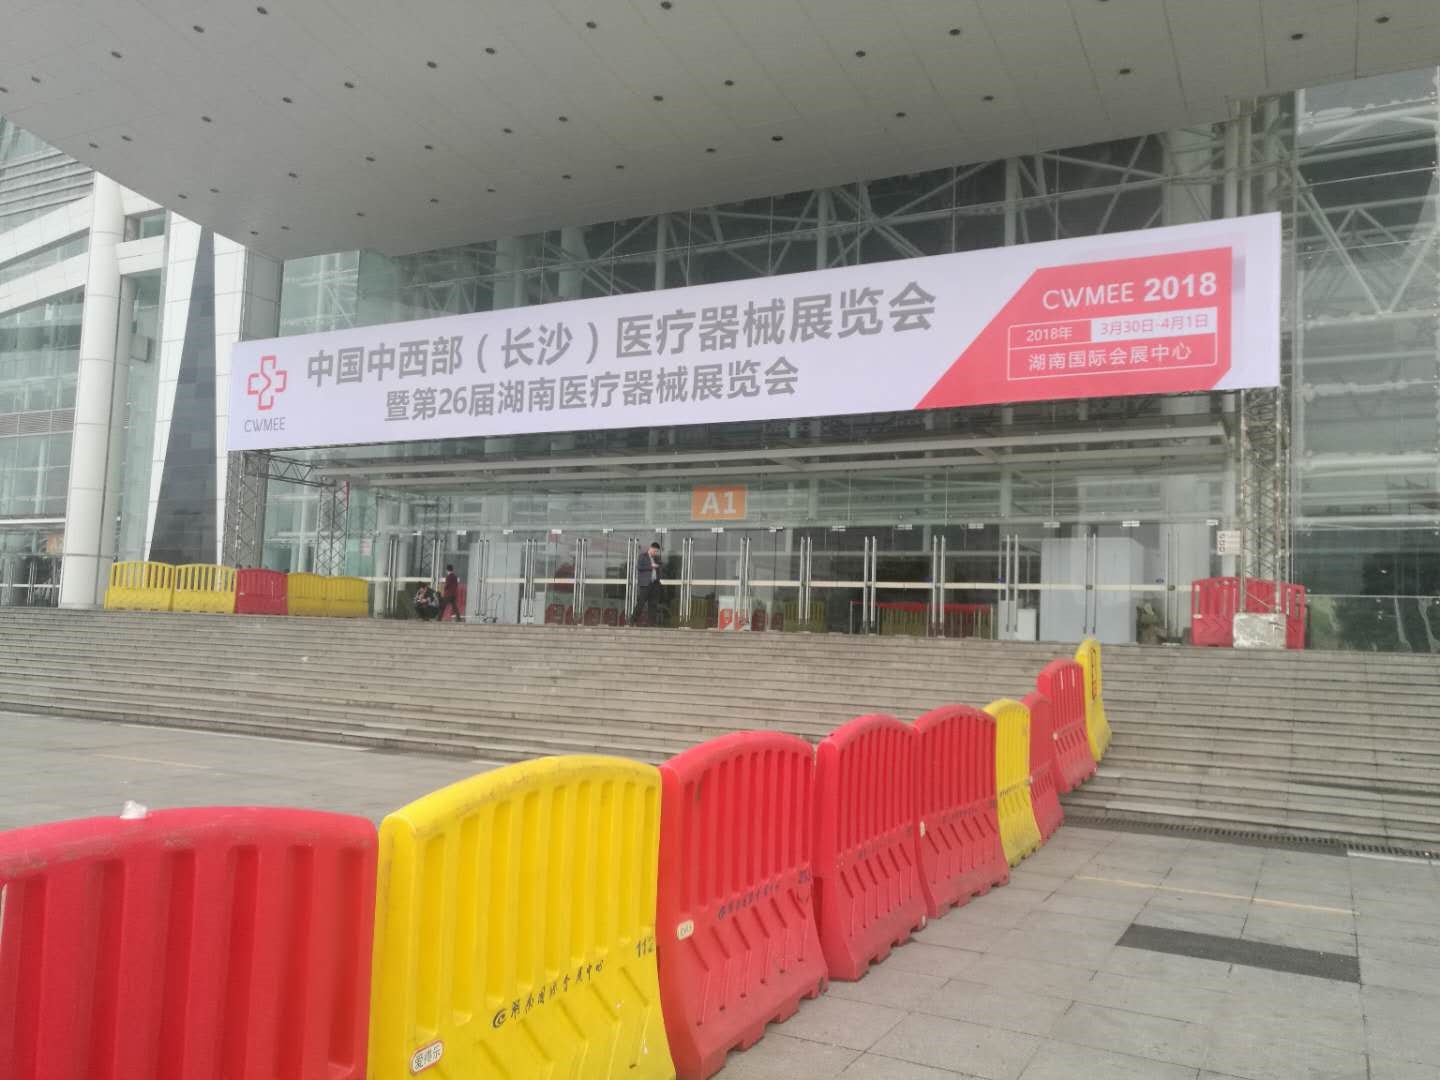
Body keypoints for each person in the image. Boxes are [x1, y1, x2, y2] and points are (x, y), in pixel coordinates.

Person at [632, 541, 664, 627]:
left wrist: (658, 567)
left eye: (656, 551)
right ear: (651, 548)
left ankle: (651, 623)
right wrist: (651, 566)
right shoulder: (643, 556)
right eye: (655, 551)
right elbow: (639, 567)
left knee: (653, 604)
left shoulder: (656, 558)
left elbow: (661, 565)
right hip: (645, 584)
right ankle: (632, 620)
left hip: (655, 584)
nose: (655, 553)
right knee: (641, 603)